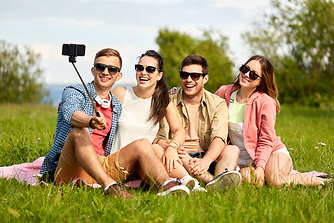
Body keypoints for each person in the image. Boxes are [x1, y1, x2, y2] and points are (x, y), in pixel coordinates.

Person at [40, 48, 190, 198]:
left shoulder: (115, 104)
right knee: (80, 131)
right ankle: (110, 187)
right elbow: (70, 113)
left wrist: (164, 143)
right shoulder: (75, 91)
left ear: (119, 76)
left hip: (102, 163)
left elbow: (137, 127)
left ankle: (167, 186)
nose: (105, 72)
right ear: (93, 70)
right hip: (73, 165)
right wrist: (90, 121)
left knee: (144, 143)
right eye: (101, 67)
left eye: (112, 69)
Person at [215, 55, 334, 187]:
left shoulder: (265, 102)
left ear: (261, 81)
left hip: (271, 153)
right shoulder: (224, 93)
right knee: (242, 178)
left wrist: (260, 167)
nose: (246, 74)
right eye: (245, 69)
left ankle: (330, 182)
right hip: (239, 157)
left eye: (253, 74)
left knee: (275, 181)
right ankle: (295, 176)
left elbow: (266, 140)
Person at [110, 50, 202, 192]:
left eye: (150, 69)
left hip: (143, 166)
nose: (143, 72)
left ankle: (190, 183)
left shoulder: (162, 101)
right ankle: (182, 182)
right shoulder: (120, 93)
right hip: (119, 164)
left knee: (156, 148)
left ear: (159, 75)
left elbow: (179, 131)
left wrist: (172, 147)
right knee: (153, 147)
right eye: (139, 68)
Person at [155, 54, 242, 191]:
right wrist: (166, 144)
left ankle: (210, 180)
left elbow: (219, 138)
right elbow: (160, 137)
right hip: (180, 160)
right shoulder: (168, 102)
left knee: (232, 149)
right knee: (175, 150)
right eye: (184, 75)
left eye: (195, 76)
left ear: (205, 78)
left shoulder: (217, 104)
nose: (189, 80)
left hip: (209, 157)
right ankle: (213, 182)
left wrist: (206, 161)